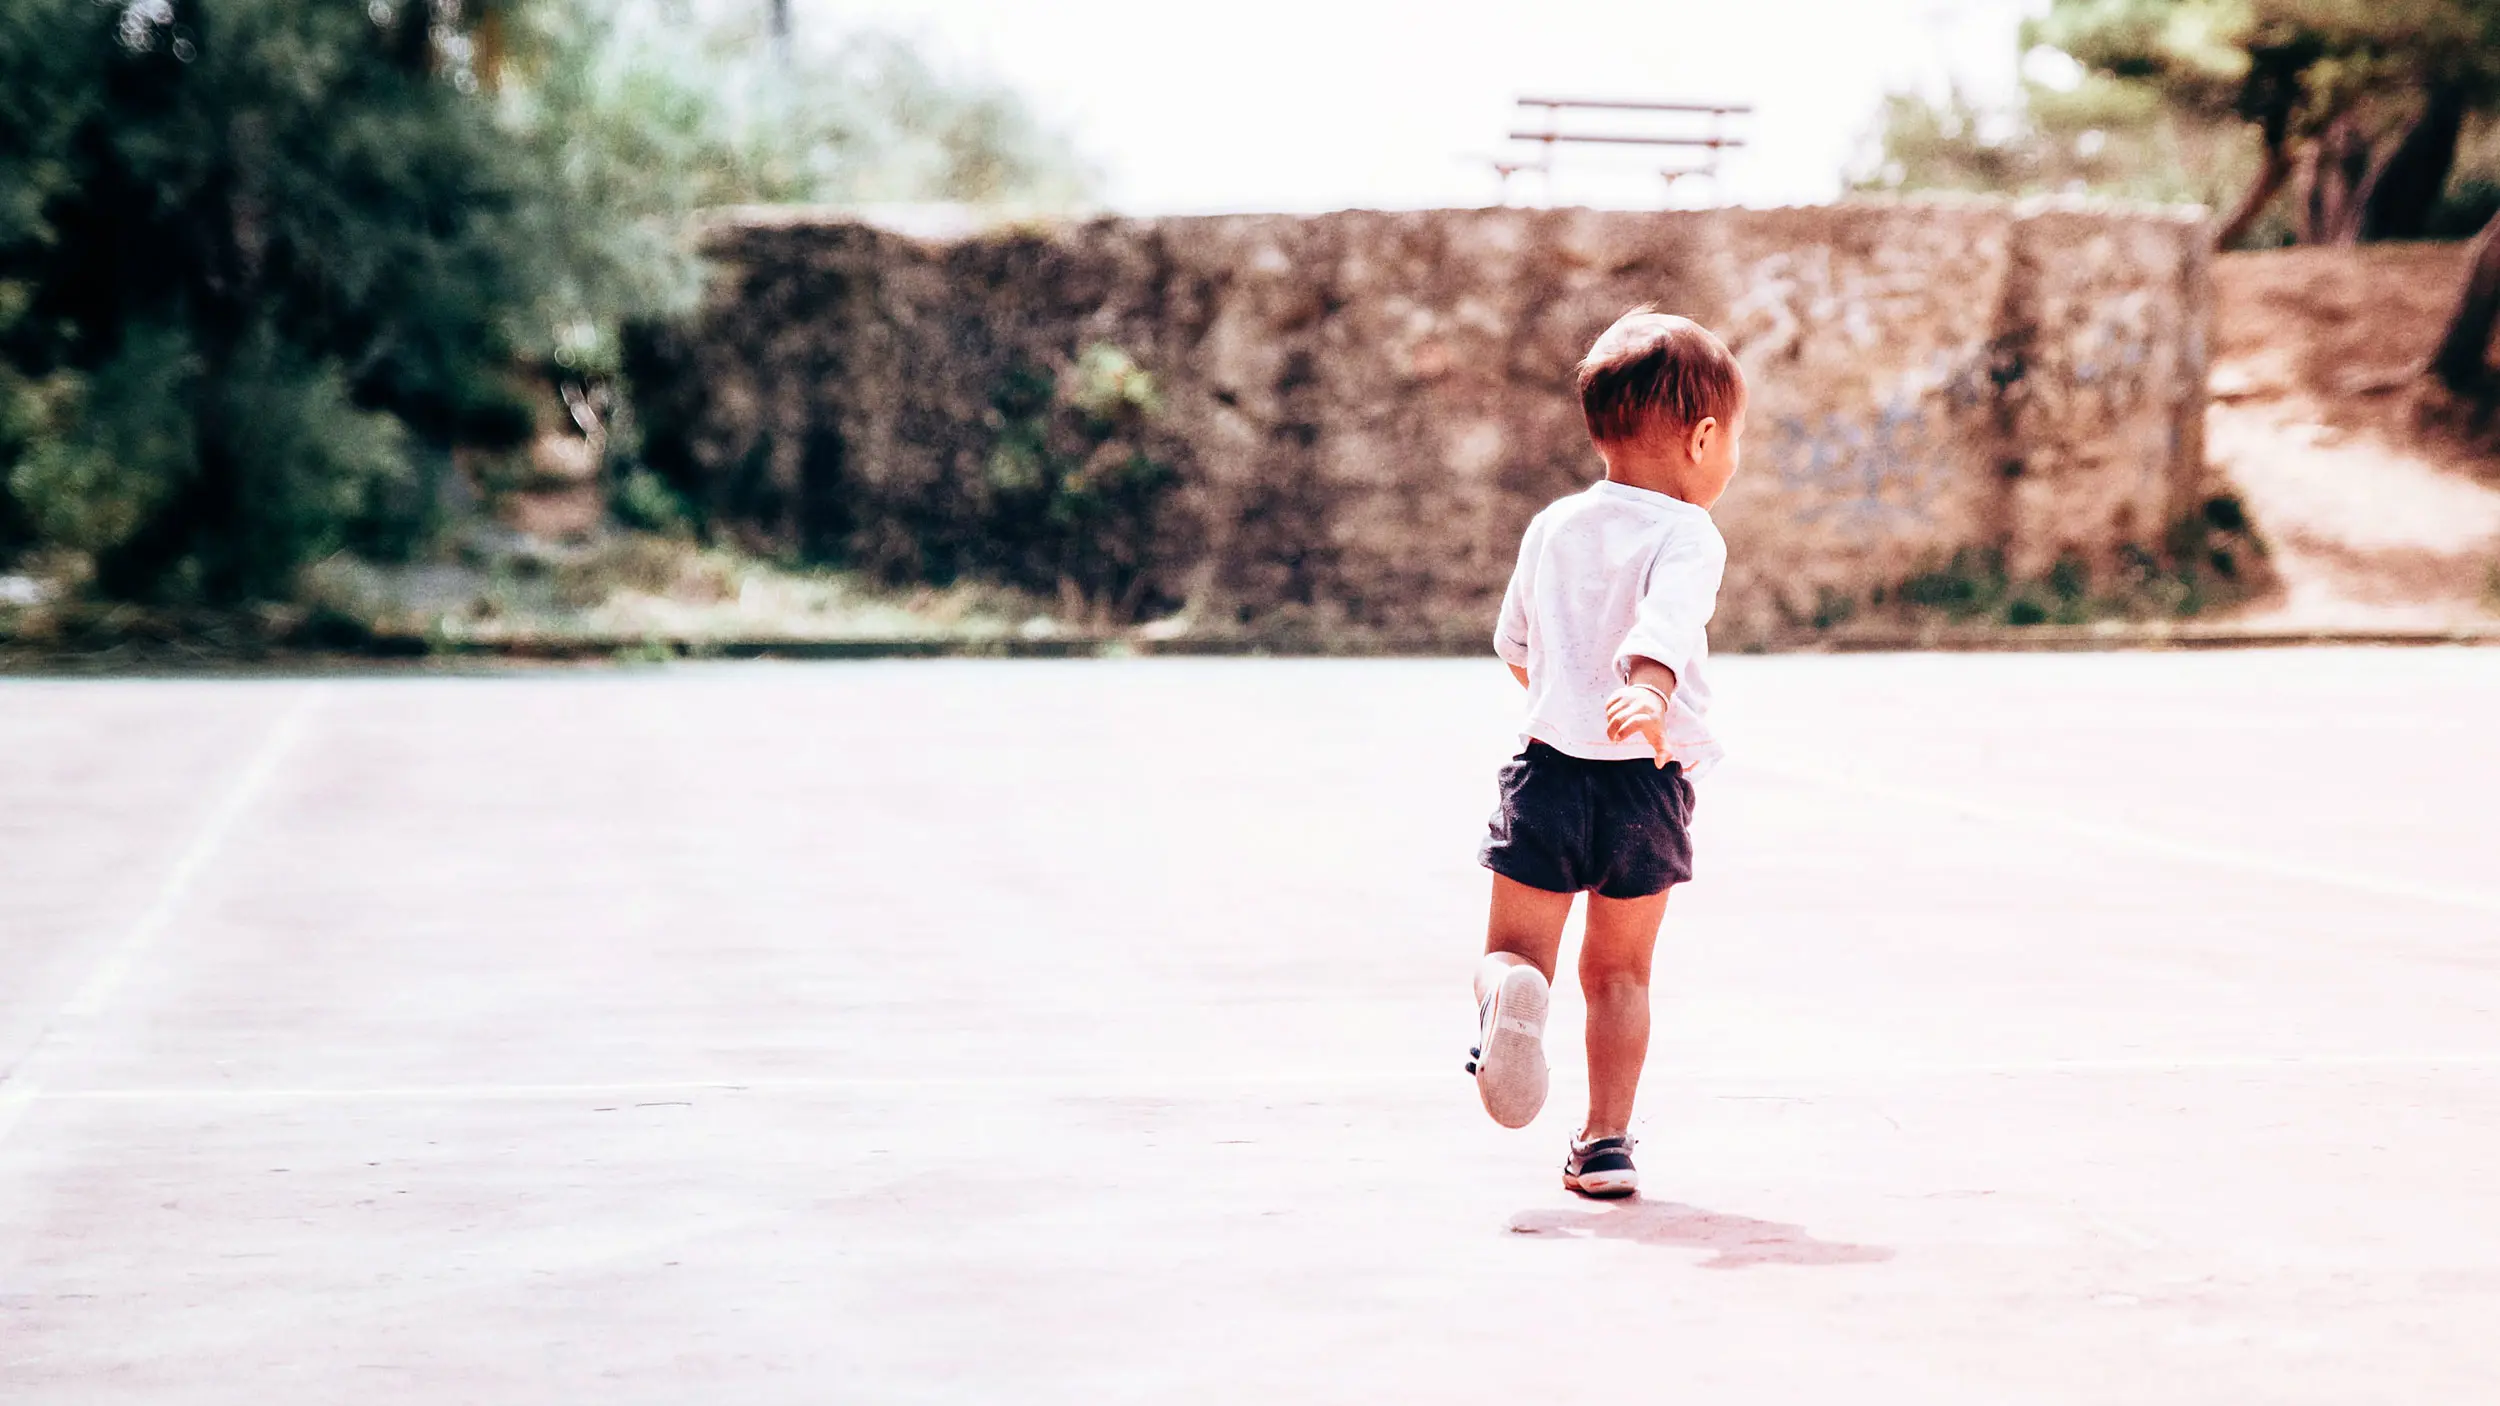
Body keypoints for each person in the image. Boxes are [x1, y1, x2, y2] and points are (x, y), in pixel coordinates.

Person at [1466, 308, 1743, 1199]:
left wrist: (1572, 703)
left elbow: (1514, 646)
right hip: (1645, 787)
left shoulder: (1553, 525)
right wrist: (1648, 692)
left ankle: (1508, 998)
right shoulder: (1690, 532)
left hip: (1549, 772)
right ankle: (1606, 1143)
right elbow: (1669, 624)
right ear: (1705, 438)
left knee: (1515, 951)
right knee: (1619, 972)